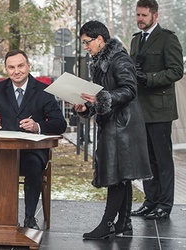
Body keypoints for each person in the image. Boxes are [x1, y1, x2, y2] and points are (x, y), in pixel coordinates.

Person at [73, 20, 152, 239]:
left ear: (100, 39)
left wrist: (101, 99)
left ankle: (107, 223)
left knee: (117, 176)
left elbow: (129, 89)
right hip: (116, 124)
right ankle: (124, 224)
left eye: (87, 42)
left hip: (123, 126)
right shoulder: (100, 61)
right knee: (122, 176)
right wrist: (86, 106)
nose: (85, 47)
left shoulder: (119, 59)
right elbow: (100, 94)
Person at [0, 49, 67, 230]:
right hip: (4, 151)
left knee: (33, 165)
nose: (16, 71)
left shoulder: (43, 90)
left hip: (32, 150)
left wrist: (37, 126)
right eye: (11, 67)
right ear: (6, 70)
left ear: (28, 66)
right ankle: (1, 214)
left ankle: (29, 217)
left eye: (20, 66)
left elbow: (60, 123)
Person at [129, 0, 184, 220]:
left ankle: (164, 204)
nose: (139, 19)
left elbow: (176, 71)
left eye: (143, 15)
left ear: (155, 15)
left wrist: (149, 79)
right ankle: (150, 202)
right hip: (140, 109)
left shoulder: (168, 39)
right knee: (147, 159)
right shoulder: (135, 41)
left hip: (160, 109)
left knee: (162, 159)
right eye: (137, 15)